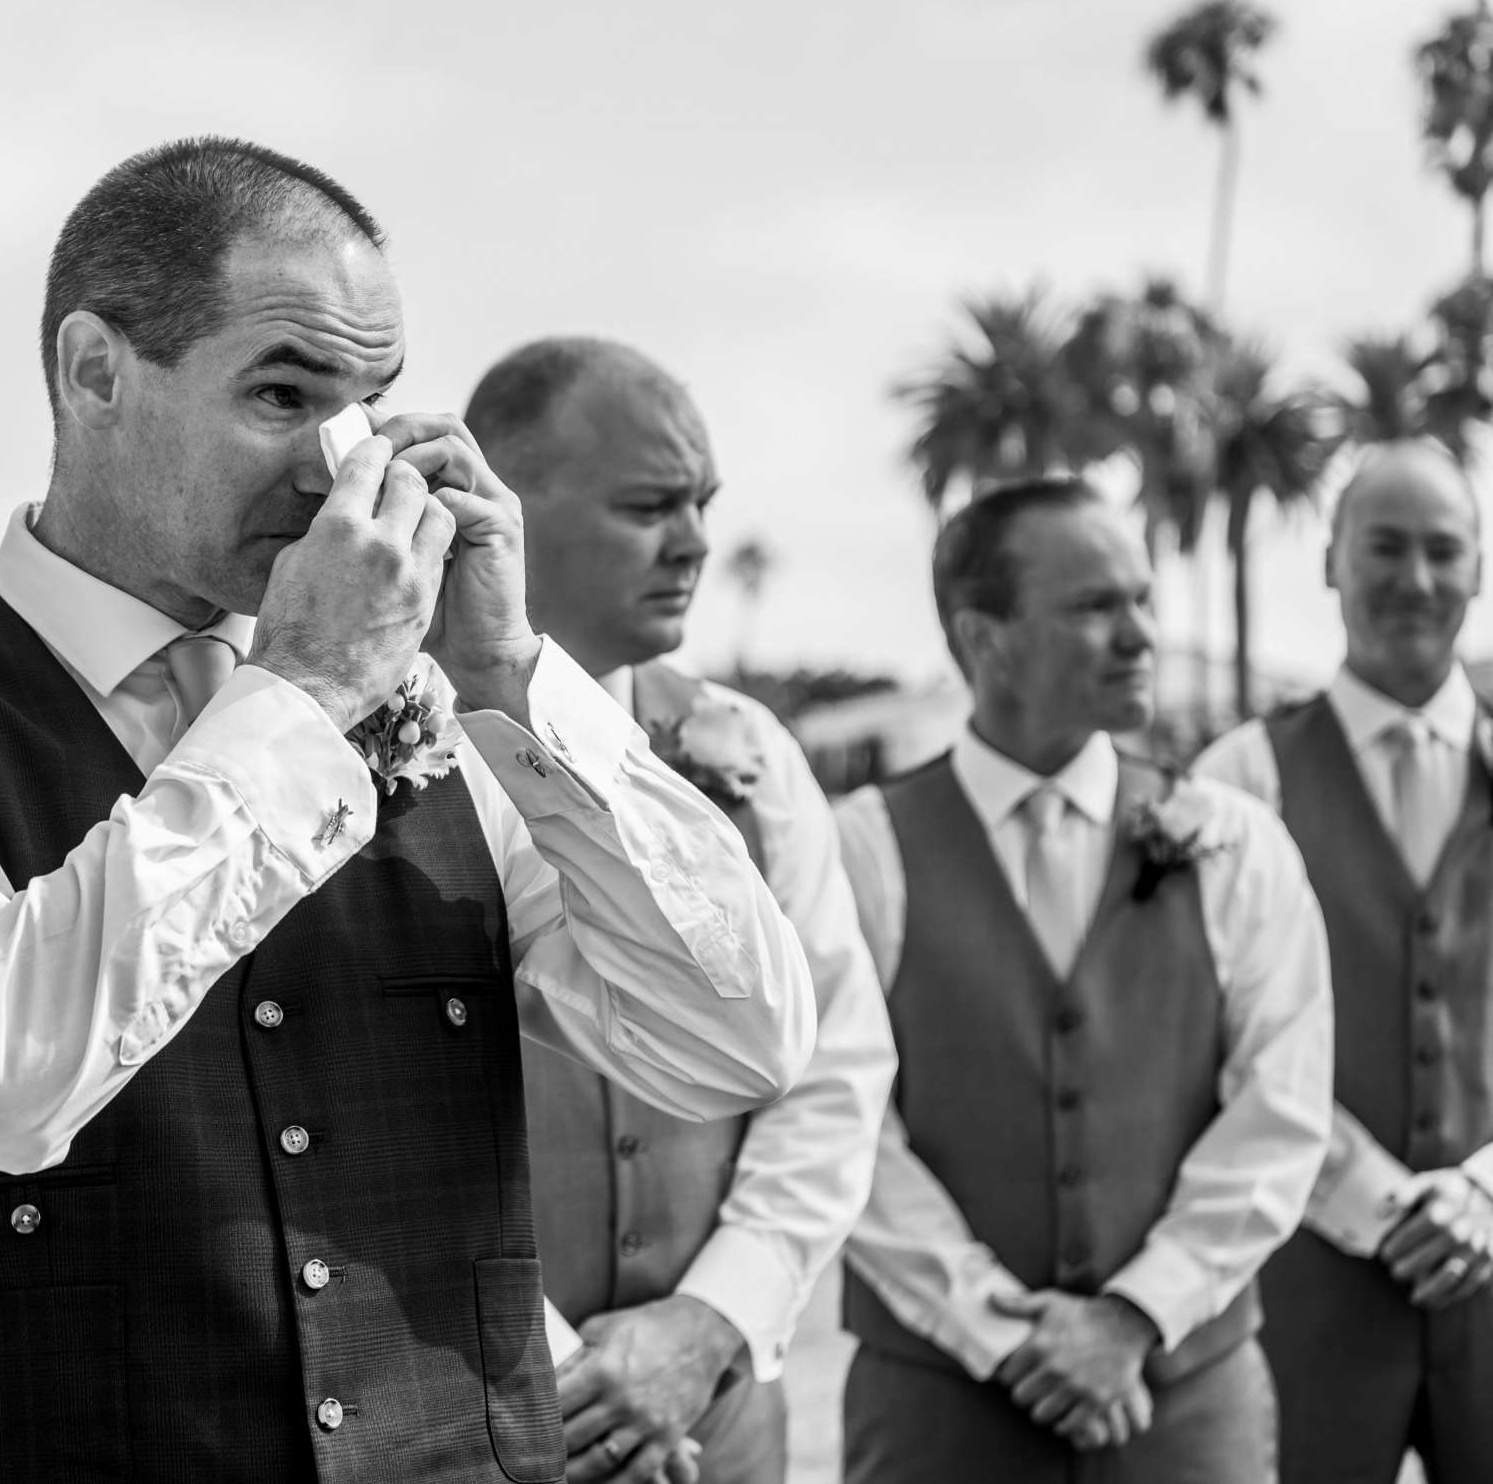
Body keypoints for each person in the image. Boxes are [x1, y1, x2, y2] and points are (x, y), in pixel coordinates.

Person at [0, 137, 816, 1484]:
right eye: (284, 394)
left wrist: (517, 676)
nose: (341, 469)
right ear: (96, 372)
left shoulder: (456, 723)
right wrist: (299, 691)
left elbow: (736, 1035)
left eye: (373, 406)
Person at [831, 476, 1333, 1483]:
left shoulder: (1233, 841)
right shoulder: (861, 851)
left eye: (1142, 599)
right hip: (938, 1411)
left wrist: (1135, 1315)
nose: (1141, 634)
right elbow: (835, 1120)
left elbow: (1283, 1107)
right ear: (986, 638)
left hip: (1189, 1402)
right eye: (1097, 607)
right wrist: (998, 1331)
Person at [464, 337, 895, 1484]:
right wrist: (572, 1377)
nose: (696, 540)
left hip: (722, 1413)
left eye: (703, 503)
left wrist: (710, 1322)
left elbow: (837, 1066)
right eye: (652, 505)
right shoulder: (382, 750)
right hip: (468, 1410)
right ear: (498, 500)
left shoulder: (751, 751)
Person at [1193, 439, 1493, 1484]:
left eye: (1445, 551)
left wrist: (1484, 1195)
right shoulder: (1239, 779)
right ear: (1331, 561)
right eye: (1385, 547)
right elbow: (1210, 1039)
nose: (1415, 579)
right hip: (1305, 1285)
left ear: (1481, 570)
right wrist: (1381, 1203)